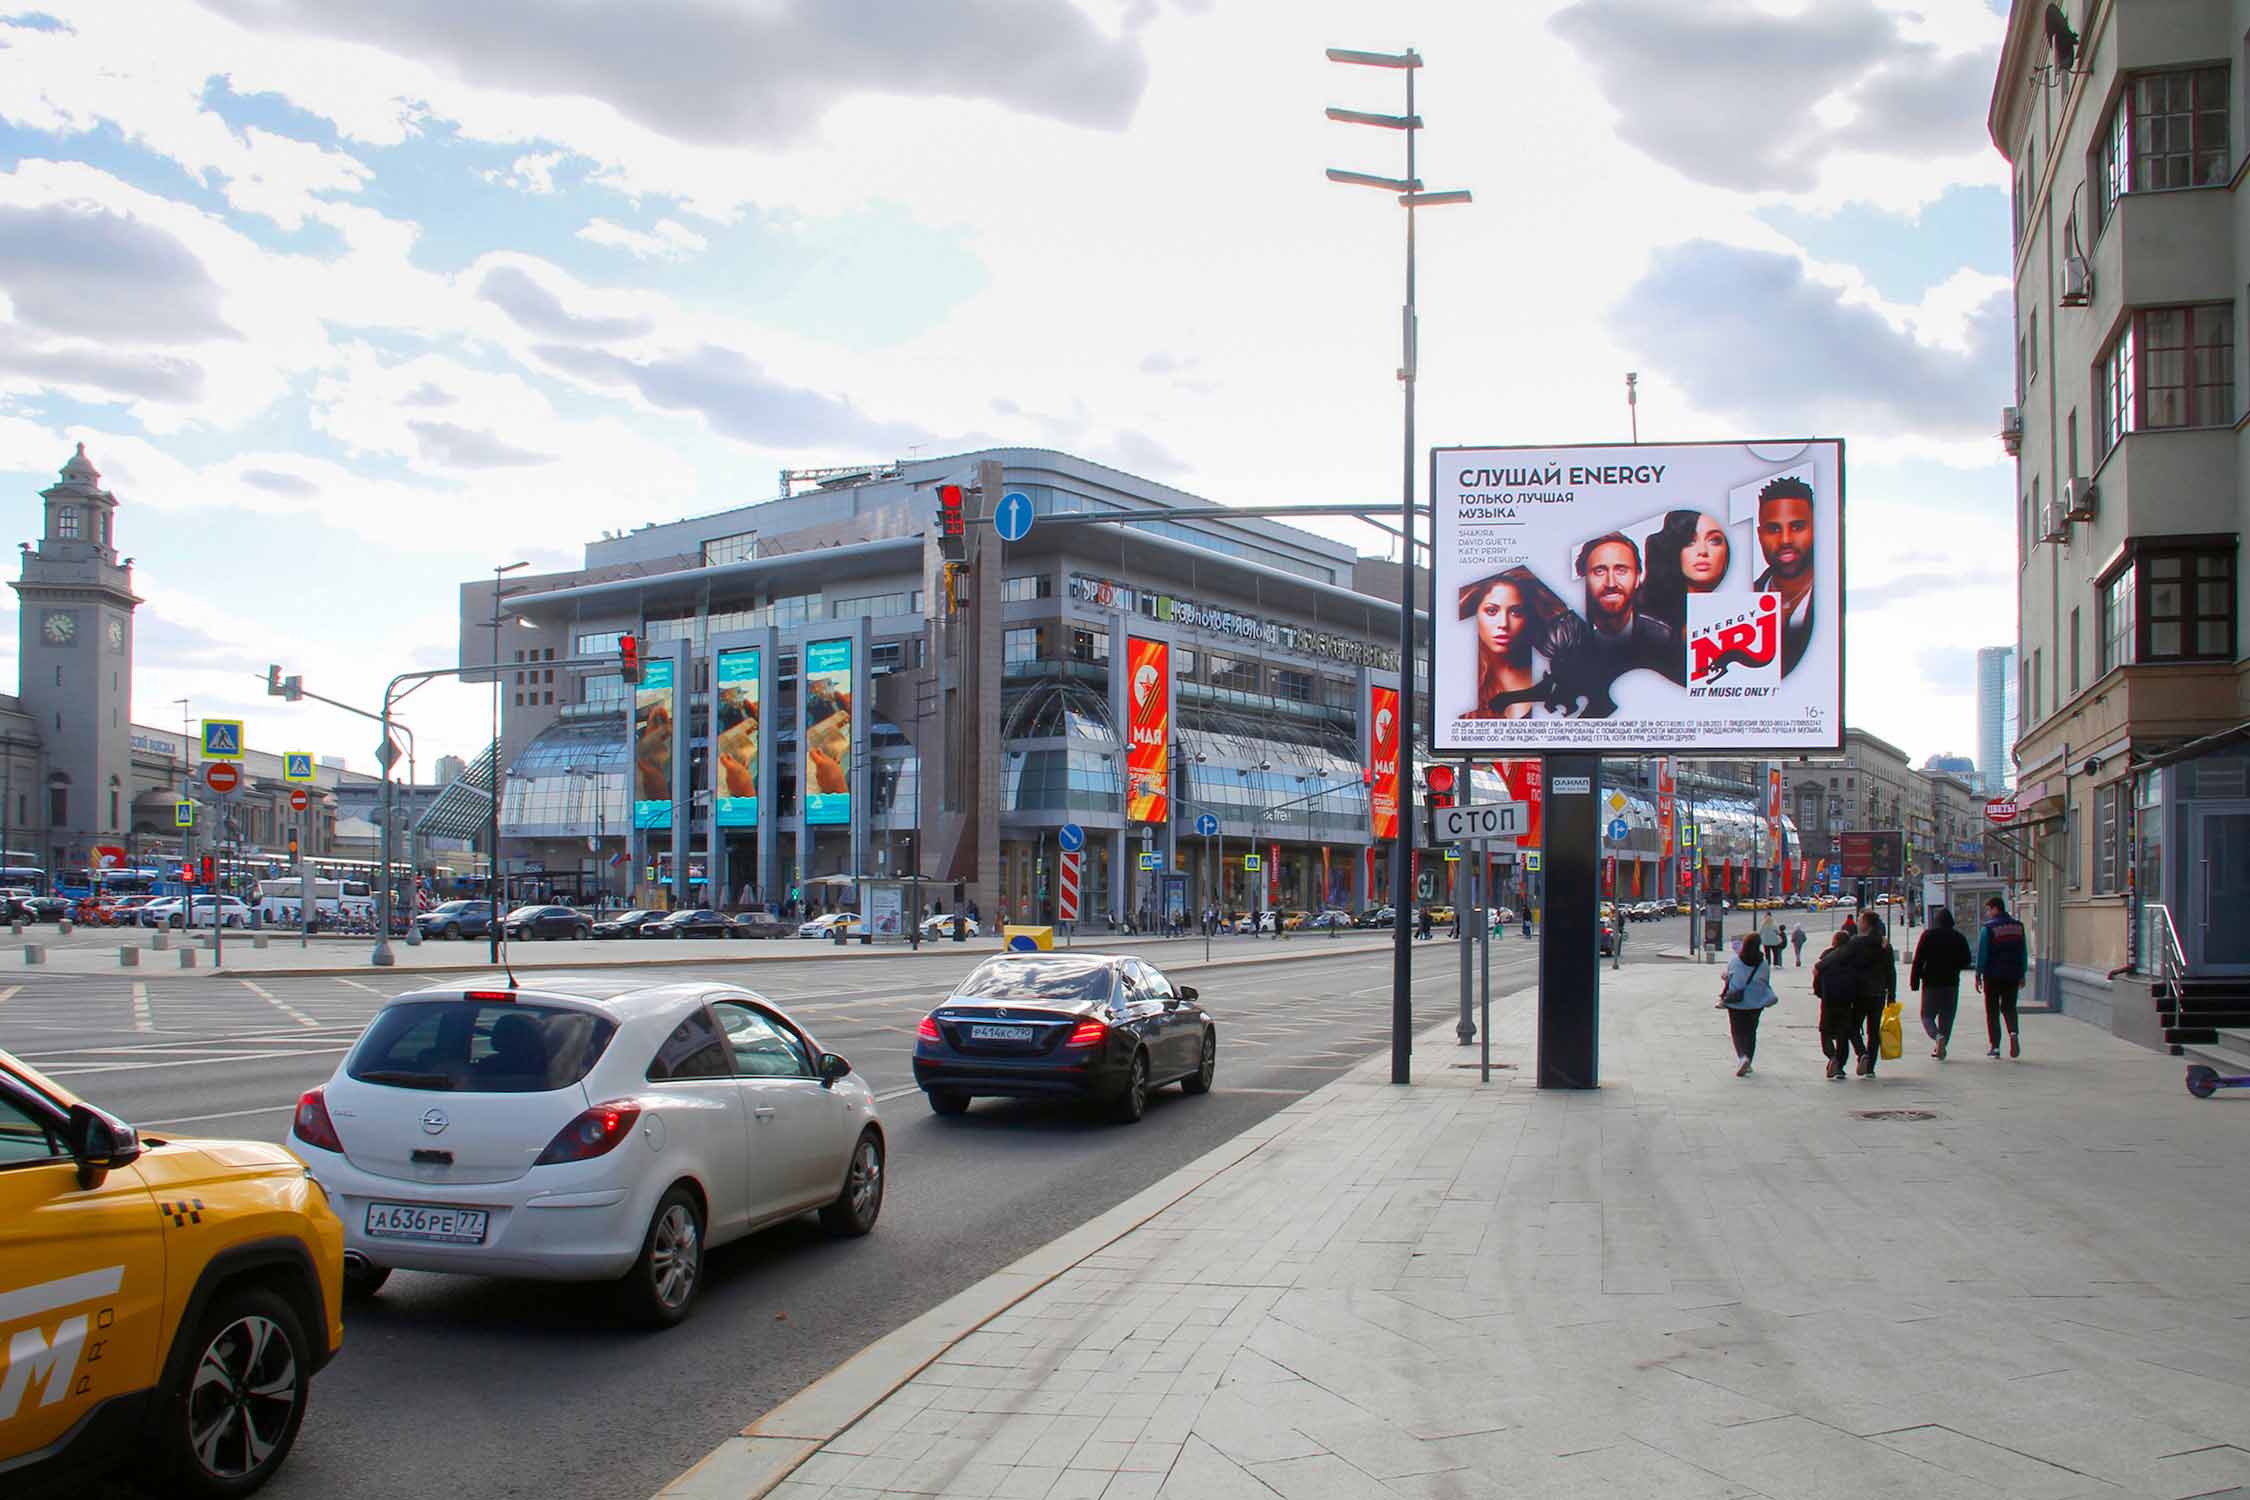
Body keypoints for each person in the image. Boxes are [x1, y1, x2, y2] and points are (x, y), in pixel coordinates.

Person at [1750, 476, 1816, 675]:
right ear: (1760, 536)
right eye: (1774, 529)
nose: (1785, 539)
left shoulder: (1832, 599)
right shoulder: (1740, 599)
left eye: (1797, 527)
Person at [1639, 509, 1732, 647]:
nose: (1702, 551)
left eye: (1714, 540)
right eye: (1689, 542)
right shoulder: (1645, 622)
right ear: (1673, 549)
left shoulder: (1739, 610)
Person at [1459, 574, 1540, 718]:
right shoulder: (1460, 680)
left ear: (1527, 617)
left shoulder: (1547, 674)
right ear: (1474, 614)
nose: (1503, 623)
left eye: (1516, 612)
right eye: (1492, 611)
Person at [1909, 907, 1974, 1059]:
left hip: (1931, 983)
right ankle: (1942, 1044)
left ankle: (1937, 1038)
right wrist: (1955, 966)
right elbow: (1967, 960)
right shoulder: (1958, 937)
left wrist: (1914, 981)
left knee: (1927, 1016)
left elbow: (1918, 960)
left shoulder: (1928, 936)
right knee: (1947, 1016)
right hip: (1951, 983)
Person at [1717, 930, 1778, 1076]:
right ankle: (1749, 1059)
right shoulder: (1763, 963)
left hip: (1736, 1002)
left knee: (1737, 1031)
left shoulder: (1735, 960)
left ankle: (1742, 1057)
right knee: (1751, 1032)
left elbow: (1729, 978)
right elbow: (1765, 981)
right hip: (1756, 1003)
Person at [1975, 895, 2029, 1059]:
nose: (1989, 913)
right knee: (2009, 1007)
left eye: (1989, 910)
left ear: (1995, 908)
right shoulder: (2018, 927)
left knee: (1992, 1011)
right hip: (2012, 975)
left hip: (1993, 976)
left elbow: (1982, 953)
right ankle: (2013, 1033)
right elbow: (2023, 953)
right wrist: (2022, 973)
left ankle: (1995, 1047)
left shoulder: (1989, 928)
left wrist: (1978, 974)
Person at [1848, 911, 1898, 1077]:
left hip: (1860, 992)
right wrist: (1892, 996)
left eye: (1860, 920)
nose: (1857, 922)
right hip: (1879, 993)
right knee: (1873, 1031)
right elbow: (1891, 972)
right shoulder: (1884, 944)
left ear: (1866, 924)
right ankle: (1870, 1068)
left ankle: (1862, 1053)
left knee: (1853, 1027)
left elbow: (1847, 964)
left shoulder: (1856, 943)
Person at [1812, 926, 1859, 1079]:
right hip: (1846, 1000)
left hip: (1829, 998)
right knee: (1842, 1033)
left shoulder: (1826, 957)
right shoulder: (1852, 958)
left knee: (1825, 1030)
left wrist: (1820, 993)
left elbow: (1817, 981)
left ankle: (1832, 1057)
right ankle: (1839, 1064)